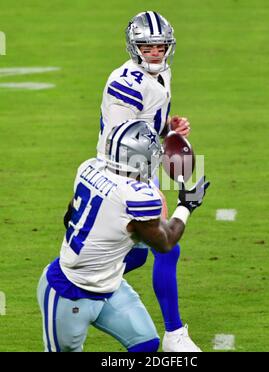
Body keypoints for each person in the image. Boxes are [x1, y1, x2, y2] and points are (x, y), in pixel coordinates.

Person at [37, 120, 209, 352]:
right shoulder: (135, 196)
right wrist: (187, 205)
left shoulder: (89, 167)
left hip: (110, 286)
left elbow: (69, 218)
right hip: (68, 292)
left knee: (146, 345)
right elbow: (166, 242)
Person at [96, 11, 198, 351]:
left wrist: (169, 126)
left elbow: (148, 120)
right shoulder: (125, 84)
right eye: (146, 46)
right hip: (121, 171)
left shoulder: (162, 71)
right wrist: (151, 189)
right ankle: (174, 334)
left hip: (143, 167)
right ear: (133, 47)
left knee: (139, 255)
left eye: (159, 45)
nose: (154, 52)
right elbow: (122, 141)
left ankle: (80, 278)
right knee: (166, 246)